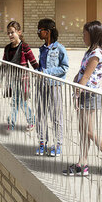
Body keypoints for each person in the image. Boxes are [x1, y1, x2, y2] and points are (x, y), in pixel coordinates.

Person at [65, 20, 102, 177]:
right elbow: (81, 72)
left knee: (88, 131)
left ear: (93, 35)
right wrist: (75, 83)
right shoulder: (90, 51)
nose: (83, 36)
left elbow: (87, 76)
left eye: (85, 34)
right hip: (83, 93)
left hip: (90, 95)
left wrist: (76, 94)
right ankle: (83, 163)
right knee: (83, 131)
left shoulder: (96, 54)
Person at [34, 18, 69, 156]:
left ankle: (58, 144)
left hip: (55, 86)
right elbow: (41, 66)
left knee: (56, 116)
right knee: (41, 114)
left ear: (47, 32)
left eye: (39, 30)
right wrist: (37, 72)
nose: (38, 33)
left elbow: (64, 67)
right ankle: (42, 142)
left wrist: (46, 72)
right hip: (41, 85)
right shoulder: (42, 49)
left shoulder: (60, 48)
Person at [0, 20, 37, 133]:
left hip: (23, 80)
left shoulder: (24, 47)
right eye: (8, 33)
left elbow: (33, 61)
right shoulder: (7, 48)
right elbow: (4, 64)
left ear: (19, 32)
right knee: (17, 101)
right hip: (13, 79)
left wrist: (40, 73)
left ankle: (14, 122)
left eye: (12, 32)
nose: (10, 35)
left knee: (20, 102)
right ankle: (22, 122)